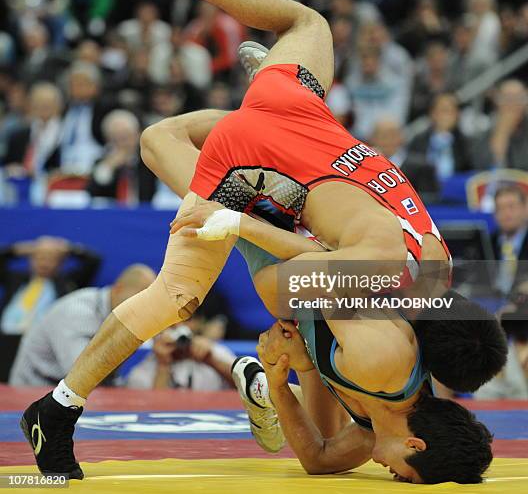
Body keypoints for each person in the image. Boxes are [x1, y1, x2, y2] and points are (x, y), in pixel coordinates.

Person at [20, 0, 507, 480]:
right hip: (266, 177)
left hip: (303, 125)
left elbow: (322, 459)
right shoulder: (385, 328)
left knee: (299, 33)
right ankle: (58, 410)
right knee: (178, 292)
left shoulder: (425, 281)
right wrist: (244, 232)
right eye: (404, 475)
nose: (394, 477)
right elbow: (313, 273)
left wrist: (281, 377)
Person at [231, 317, 493, 484]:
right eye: (408, 478)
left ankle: (262, 388)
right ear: (415, 445)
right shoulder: (387, 371)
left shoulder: (376, 433)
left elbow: (317, 461)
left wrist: (278, 383)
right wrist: (306, 353)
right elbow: (325, 277)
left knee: (322, 435)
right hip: (317, 268)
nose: (397, 479)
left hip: (314, 304)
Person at [9, 265, 155, 386]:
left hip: (67, 392)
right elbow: (80, 374)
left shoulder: (122, 315)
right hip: (33, 390)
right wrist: (131, 337)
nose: (142, 306)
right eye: (139, 298)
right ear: (118, 288)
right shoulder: (77, 311)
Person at [0, 237, 101, 334]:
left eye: (50, 259)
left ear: (60, 263)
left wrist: (68, 248)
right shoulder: (15, 279)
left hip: (42, 340)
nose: (44, 263)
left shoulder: (67, 282)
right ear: (30, 260)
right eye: (39, 258)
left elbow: (93, 261)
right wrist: (20, 249)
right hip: (6, 336)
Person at [125, 321, 235, 391]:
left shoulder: (215, 351)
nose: (180, 327)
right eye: (170, 324)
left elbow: (247, 387)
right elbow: (154, 414)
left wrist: (211, 360)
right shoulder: (141, 373)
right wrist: (163, 365)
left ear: (197, 322)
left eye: (186, 320)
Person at [87, 110, 157, 204]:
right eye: (116, 138)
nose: (122, 142)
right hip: (114, 215)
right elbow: (93, 193)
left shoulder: (148, 161)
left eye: (126, 136)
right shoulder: (102, 162)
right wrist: (109, 167)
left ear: (137, 135)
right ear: (108, 140)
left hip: (145, 213)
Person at [491, 184, 528, 297]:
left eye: (511, 207)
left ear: (525, 209)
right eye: (500, 208)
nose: (506, 214)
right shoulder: (488, 242)